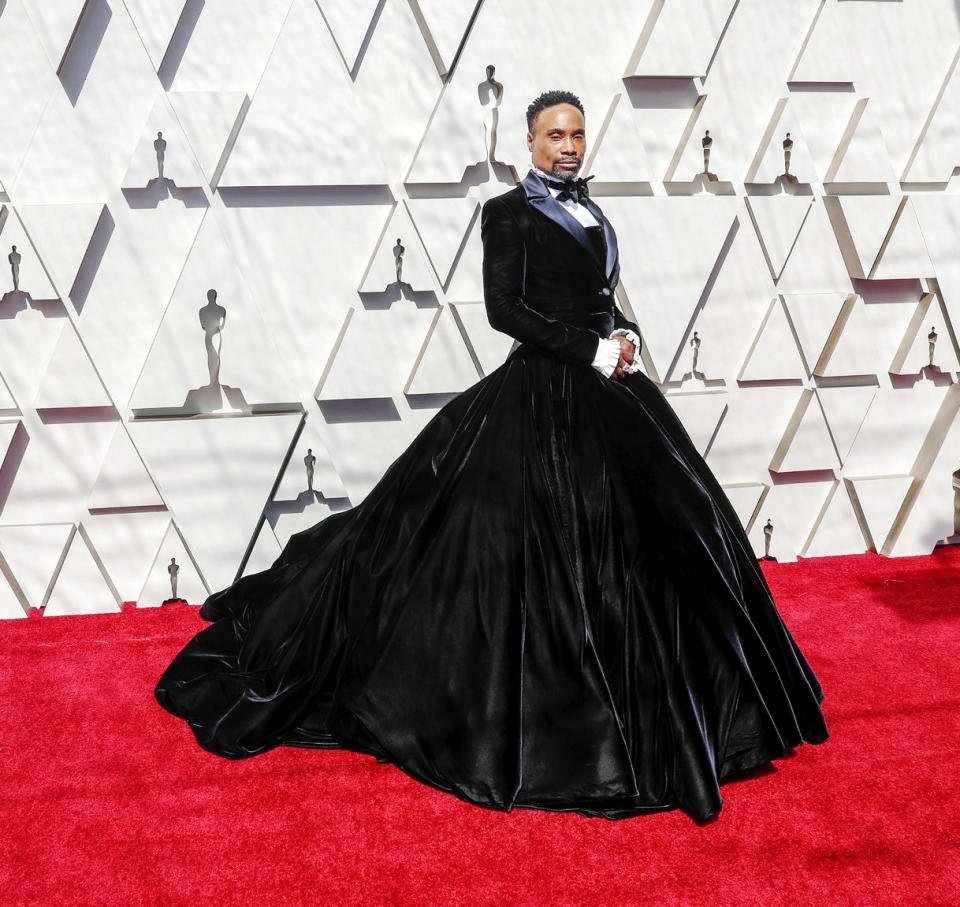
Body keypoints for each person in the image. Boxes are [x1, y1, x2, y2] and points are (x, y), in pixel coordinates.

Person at [154, 89, 828, 823]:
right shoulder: (506, 214)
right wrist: (591, 349)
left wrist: (623, 332)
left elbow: (597, 294)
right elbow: (506, 310)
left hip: (611, 390)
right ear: (529, 144)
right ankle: (562, 734)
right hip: (543, 397)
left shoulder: (595, 210)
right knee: (528, 561)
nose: (568, 146)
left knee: (671, 537)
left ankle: (704, 716)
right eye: (554, 136)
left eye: (576, 133)